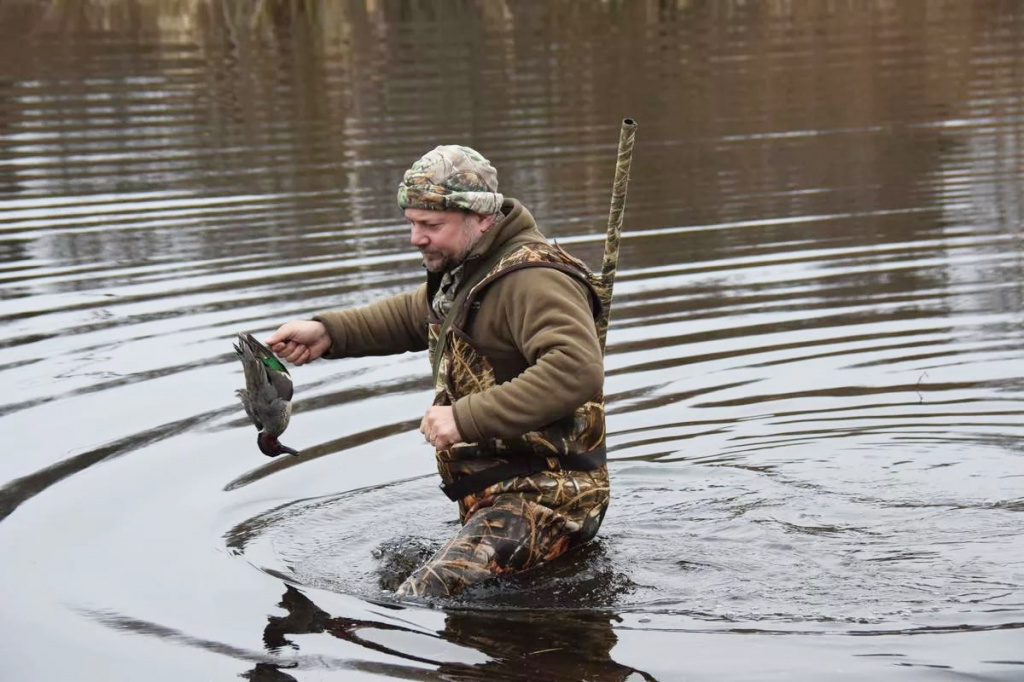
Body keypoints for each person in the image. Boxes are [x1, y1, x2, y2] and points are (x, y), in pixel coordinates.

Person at [267, 145, 610, 598]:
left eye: (431, 225)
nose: (416, 238)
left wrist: (465, 418)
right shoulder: (472, 268)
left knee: (420, 597)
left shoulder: (533, 280)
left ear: (482, 218)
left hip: (547, 496)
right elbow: (413, 315)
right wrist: (327, 332)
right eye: (411, 223)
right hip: (497, 490)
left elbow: (577, 369)